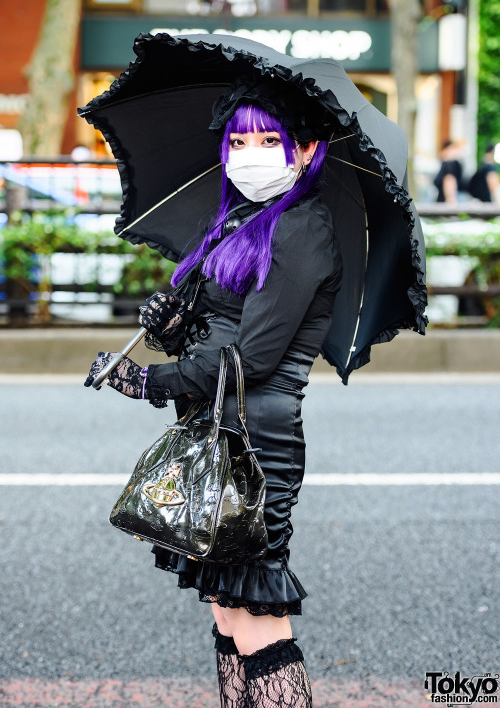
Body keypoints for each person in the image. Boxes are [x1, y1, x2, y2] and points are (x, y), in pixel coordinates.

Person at [85, 79, 343, 708]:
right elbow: (214, 339)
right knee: (228, 616)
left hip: (254, 441)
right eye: (238, 139)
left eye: (268, 139)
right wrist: (174, 327)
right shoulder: (242, 218)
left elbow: (249, 360)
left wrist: (145, 380)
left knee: (257, 620)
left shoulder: (302, 229)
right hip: (219, 424)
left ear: (305, 150)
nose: (250, 151)